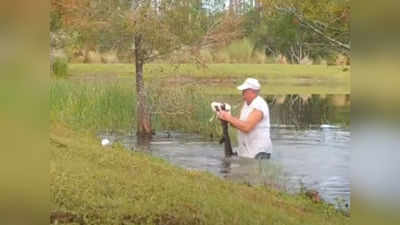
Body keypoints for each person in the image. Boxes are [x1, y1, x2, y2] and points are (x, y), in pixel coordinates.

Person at [217, 78, 272, 159]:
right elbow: (238, 124)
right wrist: (226, 118)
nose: (242, 93)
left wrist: (229, 117)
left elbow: (247, 127)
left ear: (252, 92)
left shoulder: (259, 106)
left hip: (259, 152)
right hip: (246, 150)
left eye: (244, 91)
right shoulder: (246, 104)